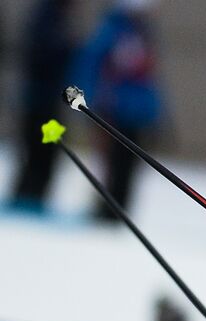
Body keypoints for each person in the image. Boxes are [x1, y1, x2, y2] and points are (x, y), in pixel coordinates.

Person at [72, 0, 163, 220]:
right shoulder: (110, 30)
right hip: (112, 111)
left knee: (128, 168)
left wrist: (155, 113)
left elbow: (150, 81)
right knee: (109, 166)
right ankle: (105, 211)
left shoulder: (145, 33)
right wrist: (87, 102)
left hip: (136, 115)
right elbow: (90, 67)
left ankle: (120, 212)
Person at [8, 0, 78, 212]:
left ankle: (35, 198)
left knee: (49, 152)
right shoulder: (46, 16)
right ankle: (26, 198)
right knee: (37, 152)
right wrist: (67, 48)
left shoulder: (57, 16)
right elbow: (40, 54)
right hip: (40, 102)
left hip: (50, 102)